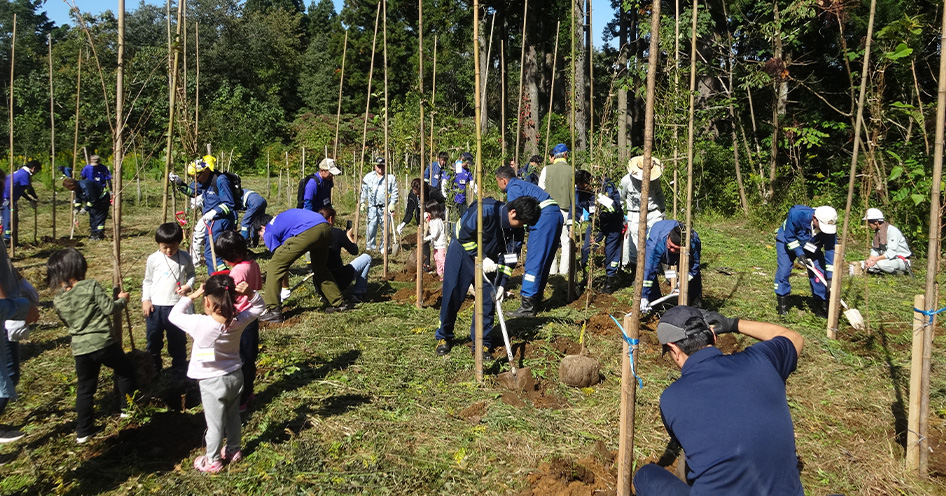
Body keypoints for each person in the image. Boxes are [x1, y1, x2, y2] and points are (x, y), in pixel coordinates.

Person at [633, 305, 805, 496]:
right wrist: (734, 324)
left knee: (645, 476)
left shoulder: (671, 399)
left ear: (674, 349)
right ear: (714, 337)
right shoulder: (763, 360)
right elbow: (794, 338)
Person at [169, 275, 264, 473]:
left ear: (207, 301)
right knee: (233, 416)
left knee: (214, 424)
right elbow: (259, 308)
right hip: (235, 376)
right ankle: (233, 450)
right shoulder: (238, 321)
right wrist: (249, 293)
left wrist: (190, 296)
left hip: (212, 382)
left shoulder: (199, 323)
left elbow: (173, 316)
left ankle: (212, 460)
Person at [47, 248, 137, 444]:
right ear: (79, 267)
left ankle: (83, 430)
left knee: (85, 388)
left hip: (80, 348)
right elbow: (109, 309)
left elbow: (67, 323)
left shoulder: (58, 299)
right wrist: (122, 300)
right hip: (103, 342)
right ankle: (126, 409)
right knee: (125, 370)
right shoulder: (90, 286)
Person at [434, 196, 538, 358]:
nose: (523, 227)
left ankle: (481, 342)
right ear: (513, 212)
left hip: (491, 260)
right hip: (462, 252)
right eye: (523, 222)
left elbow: (510, 257)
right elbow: (462, 234)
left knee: (488, 300)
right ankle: (444, 336)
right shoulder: (485, 211)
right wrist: (481, 257)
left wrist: (502, 283)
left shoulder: (517, 229)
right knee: (453, 294)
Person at [495, 165, 564, 317]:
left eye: (497, 182)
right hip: (554, 215)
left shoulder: (513, 189)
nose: (498, 186)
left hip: (543, 218)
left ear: (503, 180)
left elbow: (516, 216)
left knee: (533, 260)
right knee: (544, 260)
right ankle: (535, 298)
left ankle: (527, 306)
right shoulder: (522, 184)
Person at [258, 209, 349, 323]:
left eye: (259, 235)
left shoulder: (269, 230)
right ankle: (339, 303)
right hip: (325, 228)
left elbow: (280, 262)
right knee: (319, 268)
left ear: (262, 227)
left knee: (273, 266)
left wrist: (285, 288)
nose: (262, 238)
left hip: (309, 231)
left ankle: (273, 310)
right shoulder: (280, 220)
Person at [214, 231, 263, 411]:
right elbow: (257, 286)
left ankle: (241, 399)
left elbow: (229, 297)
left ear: (230, 256)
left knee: (239, 359)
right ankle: (249, 391)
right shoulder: (252, 264)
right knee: (249, 357)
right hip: (252, 316)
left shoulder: (237, 271)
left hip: (238, 319)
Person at [141, 223, 195, 376]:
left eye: (173, 246)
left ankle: (179, 367)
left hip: (176, 306)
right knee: (154, 338)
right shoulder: (153, 259)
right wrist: (146, 300)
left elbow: (191, 274)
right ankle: (153, 367)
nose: (169, 251)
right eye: (165, 247)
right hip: (155, 307)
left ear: (179, 242)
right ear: (159, 244)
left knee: (177, 338)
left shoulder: (185, 257)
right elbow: (148, 281)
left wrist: (188, 286)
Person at [169, 156, 238, 273]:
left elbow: (230, 204)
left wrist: (215, 212)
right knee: (216, 251)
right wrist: (180, 183)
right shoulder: (205, 181)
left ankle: (218, 277)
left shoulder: (220, 180)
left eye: (196, 177)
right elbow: (193, 192)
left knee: (211, 252)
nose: (195, 180)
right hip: (211, 220)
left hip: (221, 220)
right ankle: (224, 276)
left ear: (205, 171)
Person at [0, 240, 39, 443]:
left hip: (7, 305)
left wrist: (20, 279)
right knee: (8, 374)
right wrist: (12, 308)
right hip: (4, 310)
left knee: (9, 373)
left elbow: (3, 262)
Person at [774, 205, 837, 317]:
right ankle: (782, 306)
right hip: (786, 240)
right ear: (814, 218)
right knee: (783, 271)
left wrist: (830, 277)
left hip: (811, 246)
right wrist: (800, 254)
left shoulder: (830, 229)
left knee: (820, 274)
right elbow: (790, 237)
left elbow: (830, 251)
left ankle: (821, 307)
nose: (823, 230)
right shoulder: (797, 214)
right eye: (821, 226)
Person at [575, 170, 624, 294]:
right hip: (596, 223)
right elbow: (576, 207)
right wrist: (572, 219)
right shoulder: (580, 191)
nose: (581, 188)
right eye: (578, 186)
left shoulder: (606, 186)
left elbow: (616, 206)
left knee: (611, 251)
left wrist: (604, 201)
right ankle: (587, 276)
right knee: (586, 248)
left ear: (590, 181)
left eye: (583, 185)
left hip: (613, 223)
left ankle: (610, 281)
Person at [639, 220, 702, 311]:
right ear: (668, 237)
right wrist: (644, 296)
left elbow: (695, 266)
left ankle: (695, 307)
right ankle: (654, 303)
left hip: (683, 254)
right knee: (649, 273)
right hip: (657, 236)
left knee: (694, 277)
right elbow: (649, 270)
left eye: (675, 249)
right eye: (670, 246)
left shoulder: (693, 243)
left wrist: (685, 280)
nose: (672, 250)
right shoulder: (656, 245)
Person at [619, 156, 666, 271]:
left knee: (659, 238)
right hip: (635, 214)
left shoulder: (654, 179)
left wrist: (663, 210)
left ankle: (658, 266)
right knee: (635, 243)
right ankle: (636, 270)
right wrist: (620, 215)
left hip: (653, 212)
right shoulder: (626, 180)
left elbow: (659, 194)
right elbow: (620, 198)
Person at [319, 207, 371, 303]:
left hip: (320, 283)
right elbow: (354, 251)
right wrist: (349, 237)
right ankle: (358, 293)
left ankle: (325, 295)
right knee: (367, 258)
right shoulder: (337, 233)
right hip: (339, 280)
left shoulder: (314, 235)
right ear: (330, 219)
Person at [539, 144, 575, 277]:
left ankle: (552, 270)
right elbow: (575, 193)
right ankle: (564, 270)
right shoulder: (572, 170)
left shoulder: (546, 170)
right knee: (565, 242)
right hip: (566, 210)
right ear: (565, 155)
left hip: (550, 211)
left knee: (551, 241)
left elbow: (540, 190)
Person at [396, 178, 447, 271]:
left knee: (434, 241)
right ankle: (426, 265)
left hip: (433, 220)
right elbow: (409, 211)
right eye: (415, 193)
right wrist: (403, 223)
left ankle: (441, 265)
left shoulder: (432, 192)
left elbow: (443, 202)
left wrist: (433, 213)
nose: (417, 195)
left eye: (418, 193)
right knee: (424, 241)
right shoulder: (412, 194)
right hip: (421, 220)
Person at [359, 157, 399, 253]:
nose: (380, 168)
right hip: (372, 207)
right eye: (378, 166)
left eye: (382, 166)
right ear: (375, 166)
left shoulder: (390, 178)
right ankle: (370, 247)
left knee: (385, 229)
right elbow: (363, 190)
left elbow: (395, 191)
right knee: (371, 228)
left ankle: (383, 247)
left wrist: (392, 203)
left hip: (386, 207)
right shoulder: (368, 177)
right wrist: (362, 202)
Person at [862, 208, 911, 275]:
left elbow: (891, 252)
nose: (868, 225)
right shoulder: (878, 233)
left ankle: (899, 273)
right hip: (887, 259)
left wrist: (876, 259)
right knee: (863, 263)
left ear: (876, 222)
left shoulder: (892, 231)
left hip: (900, 260)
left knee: (881, 264)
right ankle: (879, 270)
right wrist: (870, 260)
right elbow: (875, 249)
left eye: (869, 223)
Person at [2, 160, 41, 244]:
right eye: (37, 171)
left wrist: (30, 200)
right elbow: (29, 189)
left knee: (14, 220)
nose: (35, 174)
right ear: (33, 168)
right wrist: (35, 197)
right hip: (6, 199)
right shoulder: (24, 174)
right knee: (8, 220)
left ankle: (13, 241)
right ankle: (7, 240)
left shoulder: (20, 172)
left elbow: (20, 190)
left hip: (11, 198)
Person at [443, 153, 475, 220]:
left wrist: (477, 192)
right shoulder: (453, 169)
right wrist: (445, 194)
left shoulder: (467, 171)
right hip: (453, 199)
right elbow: (445, 181)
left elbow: (472, 183)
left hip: (462, 200)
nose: (467, 165)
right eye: (466, 163)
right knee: (453, 219)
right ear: (462, 160)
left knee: (464, 218)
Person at [424, 201, 448, 280]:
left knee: (441, 260)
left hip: (440, 245)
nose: (427, 214)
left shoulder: (438, 221)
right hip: (436, 245)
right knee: (436, 259)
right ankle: (440, 275)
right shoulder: (432, 221)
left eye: (428, 212)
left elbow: (434, 234)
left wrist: (425, 239)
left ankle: (446, 275)